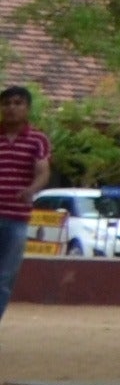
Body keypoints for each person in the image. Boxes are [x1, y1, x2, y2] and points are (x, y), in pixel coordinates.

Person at [0, 86, 46, 321]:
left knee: (5, 277)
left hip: (16, 218)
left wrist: (32, 189)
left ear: (27, 108)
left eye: (18, 103)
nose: (11, 108)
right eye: (7, 103)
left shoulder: (38, 140)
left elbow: (42, 172)